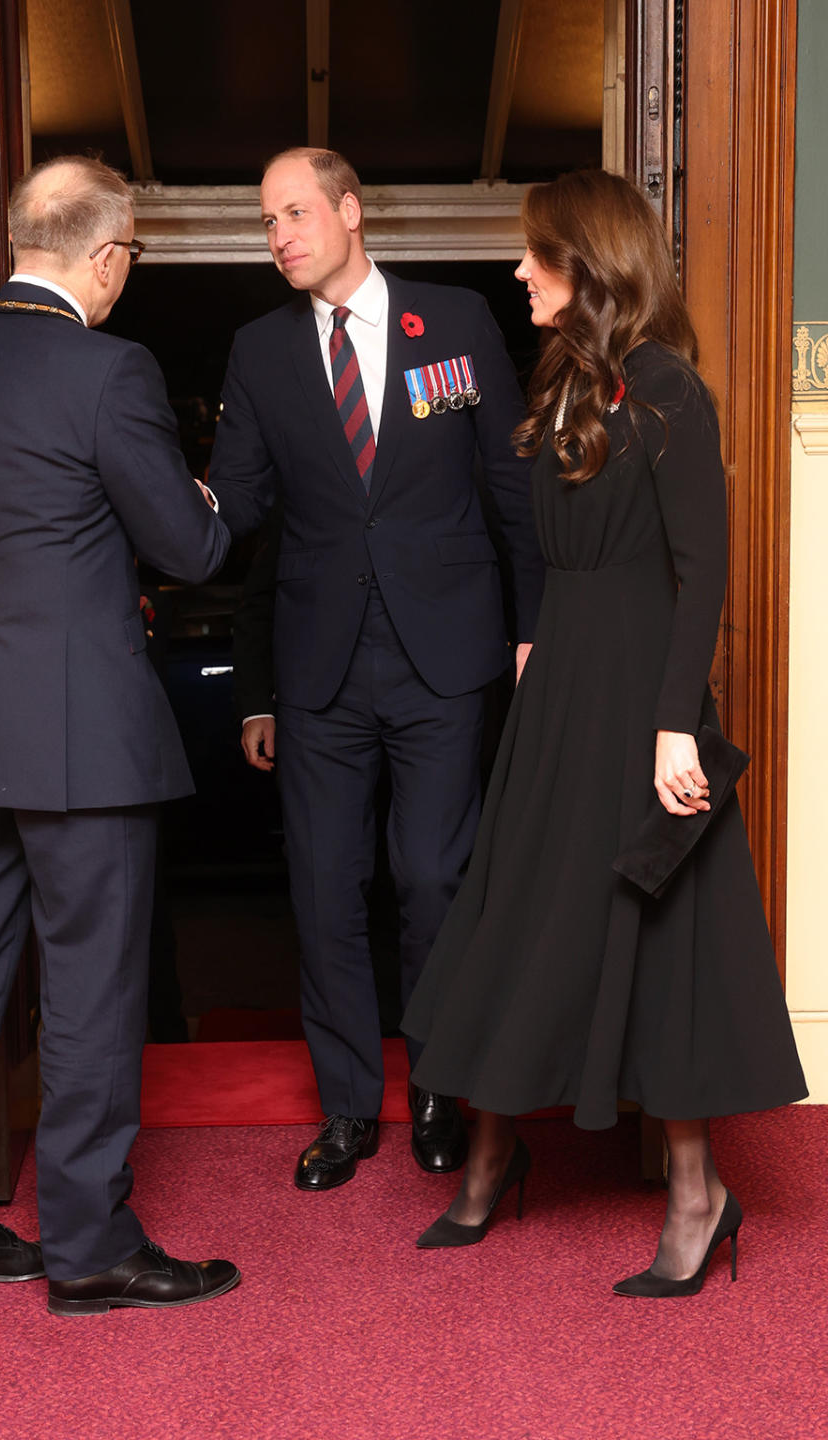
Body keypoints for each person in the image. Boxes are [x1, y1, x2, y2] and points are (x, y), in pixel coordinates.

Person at [403, 169, 807, 1294]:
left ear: (592, 265)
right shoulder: (574, 384)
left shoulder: (671, 387)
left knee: (658, 931)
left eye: (538, 255)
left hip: (643, 700)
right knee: (518, 912)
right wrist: (536, 644)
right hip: (565, 687)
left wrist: (676, 729)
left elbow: (702, 569)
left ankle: (697, 1199)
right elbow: (550, 551)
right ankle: (492, 1154)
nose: (521, 271)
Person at [0, 155, 240, 1316]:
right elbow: (190, 553)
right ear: (105, 257)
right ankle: (88, 1248)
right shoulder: (108, 371)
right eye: (130, 251)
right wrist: (206, 497)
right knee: (89, 990)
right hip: (79, 735)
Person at [208, 147, 544, 1190]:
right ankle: (349, 1109)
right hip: (321, 668)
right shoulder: (259, 353)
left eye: (296, 213)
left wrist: (533, 630)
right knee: (323, 888)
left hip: (445, 653)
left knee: (434, 877)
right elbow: (244, 523)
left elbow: (509, 487)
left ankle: (440, 1088)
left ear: (351, 213)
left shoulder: (454, 324)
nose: (281, 236)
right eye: (267, 222)